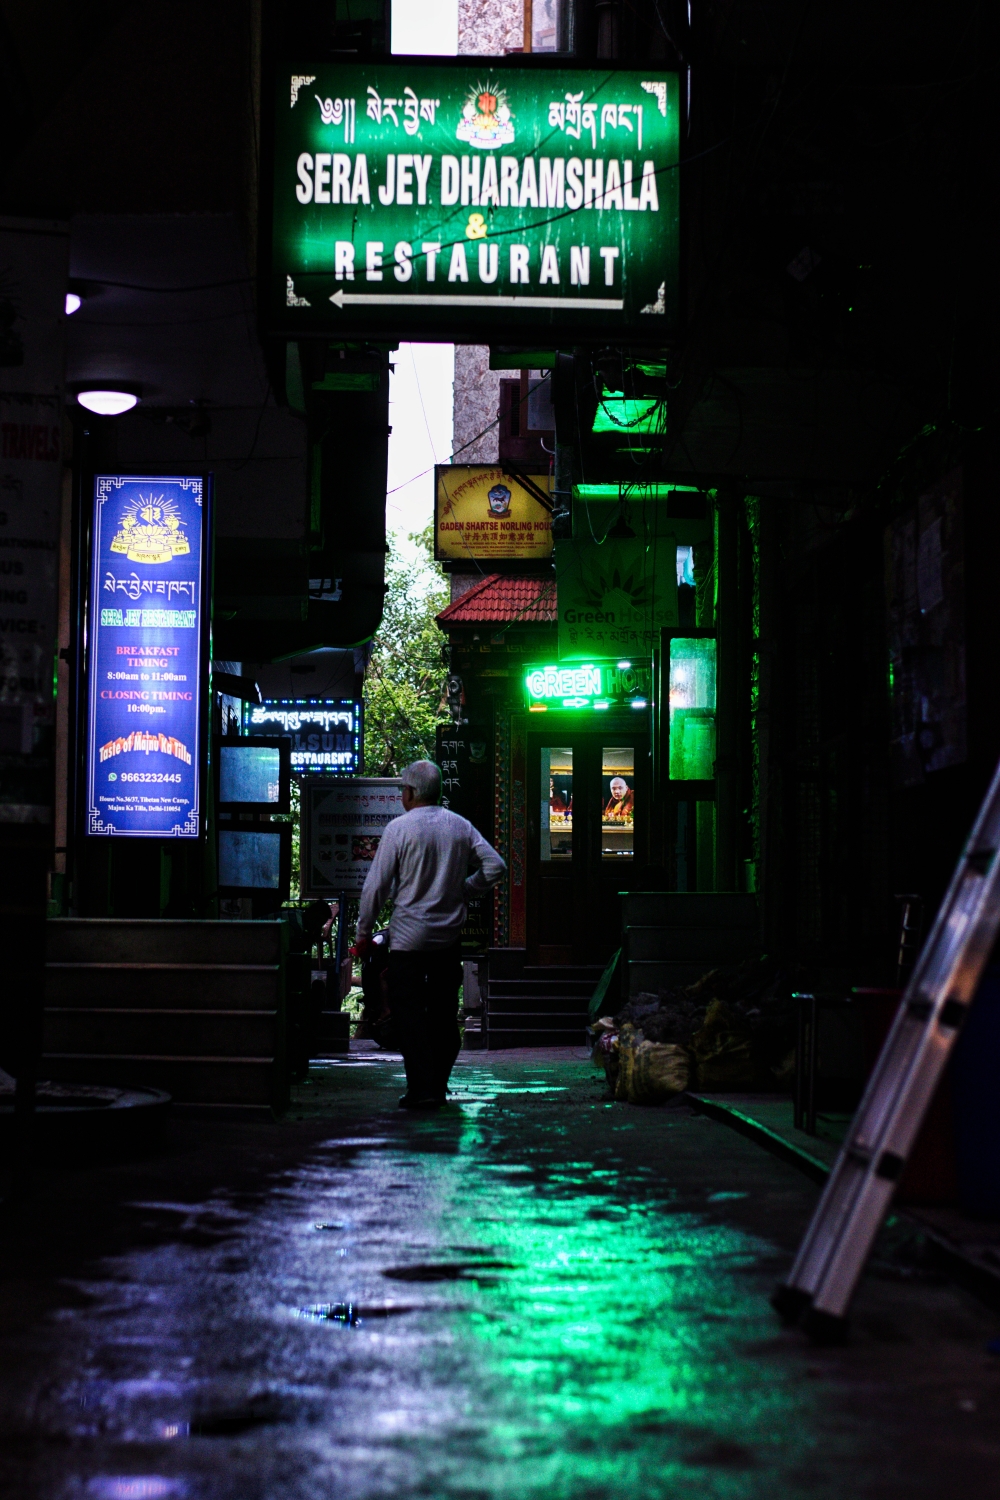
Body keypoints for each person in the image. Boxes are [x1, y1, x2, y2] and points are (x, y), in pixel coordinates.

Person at [353, 760, 506, 1109]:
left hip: (407, 942)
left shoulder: (399, 829)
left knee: (409, 1017)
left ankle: (421, 1089)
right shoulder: (460, 826)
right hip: (447, 942)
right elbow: (495, 867)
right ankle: (436, 1087)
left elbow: (376, 887)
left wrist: (364, 933)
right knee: (443, 1015)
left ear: (409, 792)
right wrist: (465, 890)